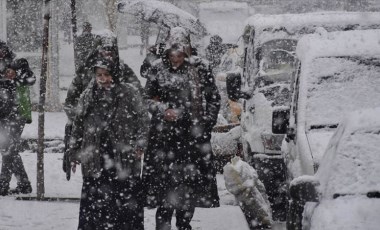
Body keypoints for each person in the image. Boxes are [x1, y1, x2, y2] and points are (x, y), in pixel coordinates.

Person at [143, 27, 221, 230]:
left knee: (189, 189)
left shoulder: (200, 68)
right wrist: (162, 109)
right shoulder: (157, 68)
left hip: (192, 138)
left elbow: (213, 98)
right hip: (163, 138)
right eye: (172, 55)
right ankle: (163, 225)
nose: (176, 59)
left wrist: (206, 124)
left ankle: (184, 224)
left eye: (180, 55)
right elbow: (146, 98)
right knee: (164, 189)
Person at [67, 57, 149, 229]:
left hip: (123, 155)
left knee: (124, 199)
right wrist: (74, 151)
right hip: (95, 154)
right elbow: (78, 124)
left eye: (106, 74)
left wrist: (140, 144)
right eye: (99, 75)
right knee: (95, 201)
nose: (103, 79)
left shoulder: (129, 92)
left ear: (115, 75)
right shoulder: (88, 94)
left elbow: (143, 119)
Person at [63, 34, 143, 176]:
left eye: (111, 50)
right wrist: (86, 118)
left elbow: (139, 101)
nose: (107, 54)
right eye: (104, 50)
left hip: (120, 138)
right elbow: (71, 102)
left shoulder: (124, 71)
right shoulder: (85, 71)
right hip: (93, 137)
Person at [0, 41, 36, 196]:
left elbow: (31, 79)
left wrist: (15, 77)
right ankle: (24, 184)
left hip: (17, 114)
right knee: (8, 149)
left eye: (2, 50)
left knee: (8, 149)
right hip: (2, 113)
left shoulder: (18, 63)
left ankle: (2, 185)